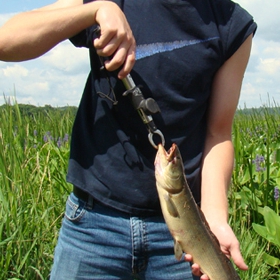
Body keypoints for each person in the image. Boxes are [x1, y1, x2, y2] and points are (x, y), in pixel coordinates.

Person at [0, 1, 257, 279]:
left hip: (185, 236)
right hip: (94, 226)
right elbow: (7, 40)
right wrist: (95, 10)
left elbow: (218, 133)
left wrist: (215, 219)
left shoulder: (232, 24)